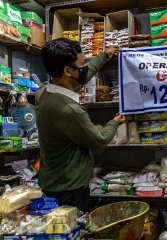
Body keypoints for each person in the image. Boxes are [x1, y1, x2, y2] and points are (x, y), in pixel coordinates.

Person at [36, 38, 125, 212]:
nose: (86, 66)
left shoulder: (45, 91)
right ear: (68, 71)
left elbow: (85, 74)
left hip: (52, 183)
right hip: (69, 191)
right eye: (83, 63)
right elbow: (99, 140)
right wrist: (115, 122)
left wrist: (105, 55)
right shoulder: (69, 110)